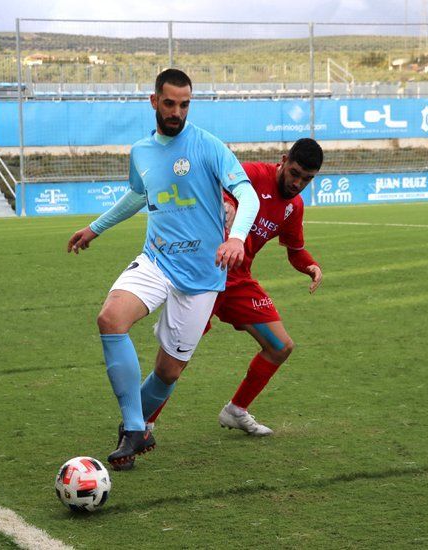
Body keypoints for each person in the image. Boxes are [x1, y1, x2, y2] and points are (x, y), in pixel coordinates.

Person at [67, 68, 259, 470]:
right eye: (169, 103)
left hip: (203, 276)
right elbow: (139, 195)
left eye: (184, 104)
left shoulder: (208, 146)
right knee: (110, 318)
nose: (177, 111)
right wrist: (94, 229)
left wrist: (237, 236)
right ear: (154, 101)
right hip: (157, 260)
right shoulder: (141, 152)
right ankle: (135, 428)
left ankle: (132, 428)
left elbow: (246, 193)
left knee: (167, 372)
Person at [123, 139, 325, 469]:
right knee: (173, 364)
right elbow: (225, 199)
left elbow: (295, 249)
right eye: (295, 173)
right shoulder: (249, 175)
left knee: (281, 346)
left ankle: (236, 410)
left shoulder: (294, 206)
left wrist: (310, 265)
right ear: (283, 161)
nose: (298, 183)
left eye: (307, 179)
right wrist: (227, 215)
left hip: (239, 281)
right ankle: (139, 427)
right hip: (205, 277)